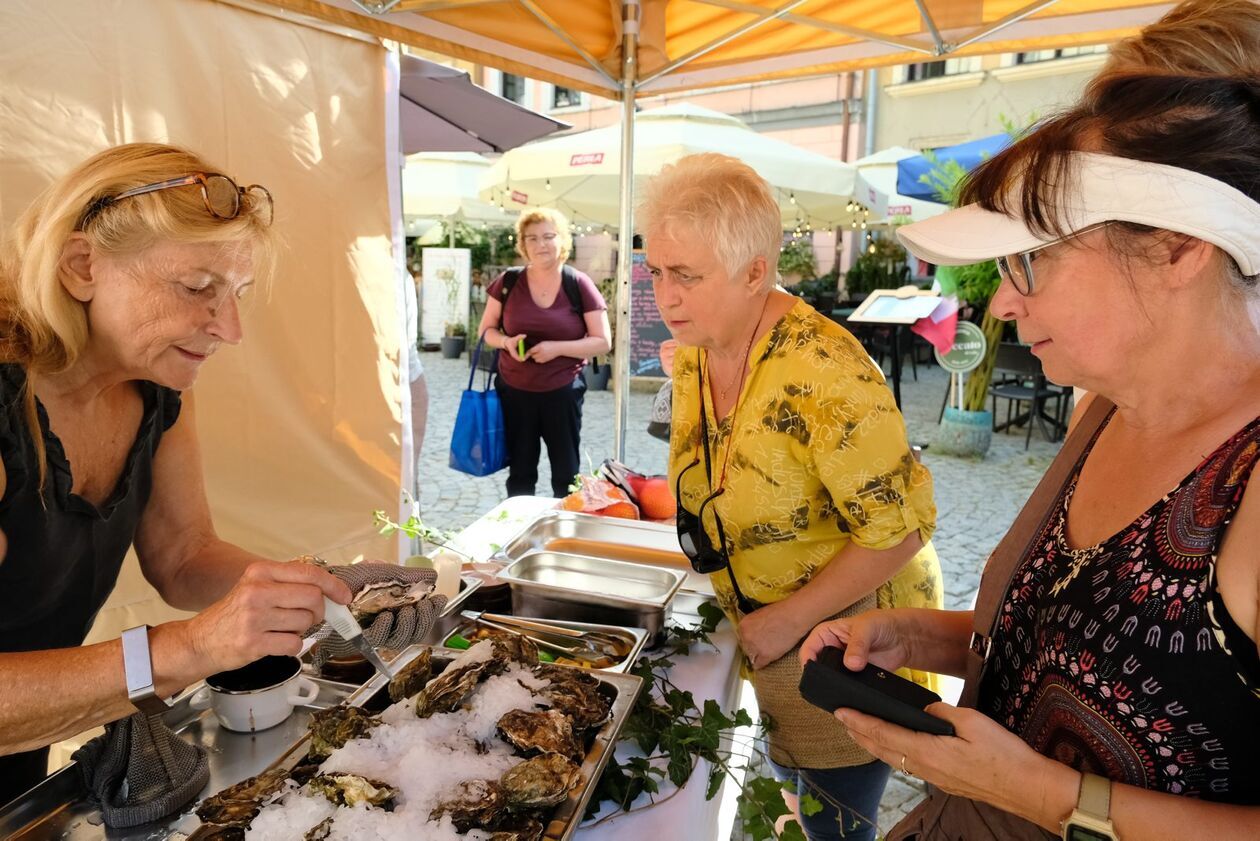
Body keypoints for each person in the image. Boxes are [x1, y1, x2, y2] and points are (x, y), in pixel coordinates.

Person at [800, 64, 1260, 841]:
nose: (1005, 299)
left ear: (1180, 248)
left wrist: (1046, 795)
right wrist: (915, 636)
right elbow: (1091, 638)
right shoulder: (1105, 408)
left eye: (1030, 261)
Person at [0, 143, 357, 803]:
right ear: (82, 266)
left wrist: (320, 591)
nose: (230, 328)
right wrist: (185, 648)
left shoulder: (155, 385)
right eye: (197, 288)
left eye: (236, 293)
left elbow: (183, 555)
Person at [642, 152, 943, 841]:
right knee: (792, 806)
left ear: (756, 271)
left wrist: (789, 619)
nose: (666, 296)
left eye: (687, 275)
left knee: (835, 824)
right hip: (765, 629)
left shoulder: (826, 369)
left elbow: (903, 528)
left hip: (849, 637)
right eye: (656, 271)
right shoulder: (698, 343)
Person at [477, 208, 610, 498]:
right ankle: (520, 534)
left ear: (562, 241)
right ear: (522, 244)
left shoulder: (578, 283)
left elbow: (603, 341)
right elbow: (486, 331)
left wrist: (556, 349)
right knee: (520, 474)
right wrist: (506, 343)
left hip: (561, 392)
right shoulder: (508, 282)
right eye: (532, 238)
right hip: (514, 391)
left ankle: (566, 534)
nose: (541, 244)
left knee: (566, 474)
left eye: (549, 236)